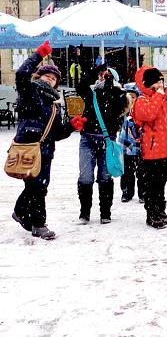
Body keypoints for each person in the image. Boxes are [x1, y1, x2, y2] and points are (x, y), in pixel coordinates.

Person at [11, 41, 84, 240]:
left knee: (37, 186)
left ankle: (22, 213)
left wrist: (71, 126)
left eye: (54, 78)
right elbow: (20, 74)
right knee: (37, 187)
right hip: (28, 147)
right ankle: (38, 224)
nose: (50, 80)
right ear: (39, 76)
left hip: (45, 150)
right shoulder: (29, 92)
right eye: (47, 76)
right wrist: (37, 55)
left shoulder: (54, 105)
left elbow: (57, 133)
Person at [131, 61, 167, 228]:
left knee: (161, 182)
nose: (160, 85)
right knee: (152, 185)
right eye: (157, 82)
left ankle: (160, 210)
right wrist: (158, 94)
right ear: (148, 84)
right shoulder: (142, 100)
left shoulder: (162, 97)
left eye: (161, 81)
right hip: (151, 151)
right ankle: (152, 214)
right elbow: (149, 115)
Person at [76, 62, 128, 225]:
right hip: (88, 139)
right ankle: (84, 213)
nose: (102, 78)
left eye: (106, 75)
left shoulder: (119, 94)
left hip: (107, 141)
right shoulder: (91, 93)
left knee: (105, 176)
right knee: (85, 177)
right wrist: (94, 72)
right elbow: (81, 86)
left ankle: (105, 212)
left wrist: (110, 86)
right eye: (101, 75)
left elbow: (118, 109)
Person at [117, 85, 144, 204]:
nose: (131, 99)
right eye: (129, 97)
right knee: (127, 171)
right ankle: (126, 192)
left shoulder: (142, 110)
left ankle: (143, 193)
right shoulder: (121, 111)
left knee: (142, 171)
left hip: (140, 146)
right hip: (126, 145)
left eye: (133, 97)